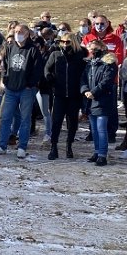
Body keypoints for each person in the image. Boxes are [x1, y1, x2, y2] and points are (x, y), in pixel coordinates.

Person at [0, 24, 44, 159]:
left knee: (25, 119)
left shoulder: (33, 50)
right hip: (10, 89)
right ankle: (2, 145)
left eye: (20, 32)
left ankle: (22, 147)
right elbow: (6, 65)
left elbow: (38, 70)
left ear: (27, 34)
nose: (17, 34)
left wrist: (30, 84)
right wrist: (7, 81)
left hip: (26, 90)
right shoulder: (10, 48)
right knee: (5, 117)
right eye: (15, 31)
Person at [43, 25, 86, 160]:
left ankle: (69, 145)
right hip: (59, 94)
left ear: (73, 42)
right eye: (62, 41)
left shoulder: (80, 56)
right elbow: (47, 69)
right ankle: (54, 147)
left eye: (67, 42)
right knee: (56, 121)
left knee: (72, 122)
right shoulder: (56, 54)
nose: (65, 44)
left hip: (74, 95)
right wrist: (51, 80)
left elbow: (84, 74)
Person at [82, 41, 118, 166]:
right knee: (94, 129)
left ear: (102, 47)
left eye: (95, 48)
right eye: (90, 48)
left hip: (103, 99)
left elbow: (107, 80)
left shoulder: (109, 62)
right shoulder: (90, 63)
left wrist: (94, 92)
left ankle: (103, 154)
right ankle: (96, 152)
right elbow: (83, 78)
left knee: (101, 128)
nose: (92, 50)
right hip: (90, 100)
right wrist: (85, 90)